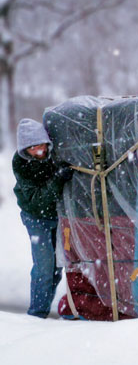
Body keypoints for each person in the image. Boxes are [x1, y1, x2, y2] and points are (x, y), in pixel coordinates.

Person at [12, 118, 73, 318]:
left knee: (57, 268)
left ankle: (43, 310)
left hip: (56, 215)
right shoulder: (21, 164)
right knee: (44, 267)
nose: (39, 152)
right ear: (25, 150)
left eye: (41, 147)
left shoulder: (53, 155)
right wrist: (57, 179)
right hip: (35, 217)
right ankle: (36, 316)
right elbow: (38, 200)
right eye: (33, 149)